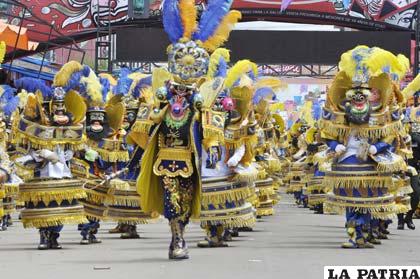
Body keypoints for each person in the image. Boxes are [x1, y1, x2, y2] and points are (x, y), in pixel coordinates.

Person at [132, 0, 241, 260]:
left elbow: (214, 125)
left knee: (187, 199)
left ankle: (180, 233)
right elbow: (144, 123)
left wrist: (213, 147)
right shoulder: (162, 90)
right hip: (165, 157)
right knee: (171, 199)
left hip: (193, 159)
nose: (181, 89)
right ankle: (176, 238)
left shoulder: (206, 94)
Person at [321, 46, 408, 248]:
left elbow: (388, 138)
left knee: (368, 202)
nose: (360, 99)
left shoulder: (381, 114)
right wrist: (336, 145)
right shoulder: (342, 114)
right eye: (355, 94)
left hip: (372, 163)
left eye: (369, 93)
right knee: (353, 201)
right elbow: (328, 134)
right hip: (348, 163)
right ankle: (354, 235)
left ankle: (364, 234)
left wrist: (377, 148)